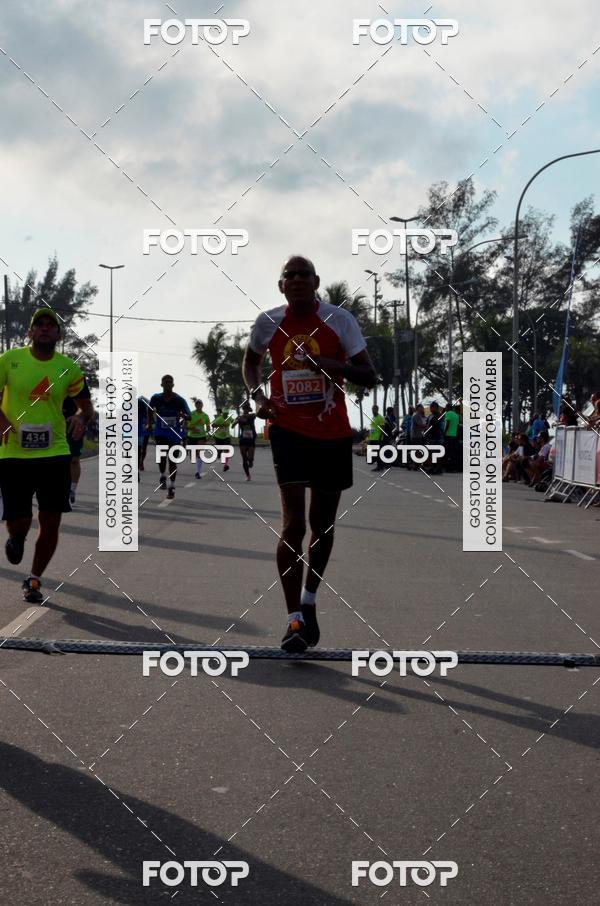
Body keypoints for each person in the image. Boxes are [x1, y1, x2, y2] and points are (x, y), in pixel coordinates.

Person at [243, 255, 375, 653]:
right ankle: (293, 620)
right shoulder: (267, 322)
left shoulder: (340, 320)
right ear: (281, 286)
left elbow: (369, 374)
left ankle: (309, 600)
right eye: (290, 276)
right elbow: (249, 365)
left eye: (304, 275)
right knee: (294, 526)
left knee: (323, 526)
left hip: (332, 432)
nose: (297, 280)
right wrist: (257, 397)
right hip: (287, 430)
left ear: (316, 281)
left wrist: (333, 365)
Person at [0, 308, 93, 602]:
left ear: (58, 335)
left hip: (55, 452)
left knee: (51, 519)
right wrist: (2, 421)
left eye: (50, 326)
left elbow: (85, 405)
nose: (44, 329)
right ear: (30, 333)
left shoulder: (69, 368)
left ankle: (35, 580)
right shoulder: (9, 360)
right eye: (38, 325)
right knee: (20, 520)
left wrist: (80, 417)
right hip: (14, 453)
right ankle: (17, 537)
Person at [147, 375, 191, 499]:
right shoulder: (156, 398)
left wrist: (183, 415)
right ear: (161, 385)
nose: (167, 384)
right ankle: (162, 475)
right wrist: (149, 423)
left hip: (175, 435)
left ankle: (171, 486)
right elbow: (150, 410)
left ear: (173, 385)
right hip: (160, 432)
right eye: (165, 382)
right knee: (161, 458)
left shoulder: (179, 400)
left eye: (170, 382)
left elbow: (189, 415)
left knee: (172, 461)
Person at [62, 379, 92, 504]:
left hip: (73, 426)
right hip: (51, 426)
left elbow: (88, 408)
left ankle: (72, 489)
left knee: (74, 460)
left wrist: (80, 418)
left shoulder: (75, 378)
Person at [232, 401, 257, 480]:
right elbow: (232, 426)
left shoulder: (252, 415)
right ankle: (248, 475)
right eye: (244, 408)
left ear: (249, 409)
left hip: (251, 439)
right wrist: (236, 421)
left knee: (250, 458)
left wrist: (241, 418)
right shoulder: (239, 417)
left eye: (247, 408)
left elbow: (249, 418)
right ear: (243, 409)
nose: (245, 410)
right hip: (243, 439)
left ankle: (251, 461)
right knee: (244, 459)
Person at [188, 399, 211, 479]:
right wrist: (192, 429)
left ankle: (197, 472)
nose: (199, 406)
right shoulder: (191, 414)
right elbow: (186, 425)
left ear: (202, 405)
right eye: (197, 404)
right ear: (195, 406)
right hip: (191, 436)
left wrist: (208, 430)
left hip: (201, 436)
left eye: (200, 404)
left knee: (199, 454)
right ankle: (196, 467)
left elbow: (208, 426)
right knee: (193, 456)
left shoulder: (205, 415)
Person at [425, 401, 444, 474]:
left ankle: (438, 468)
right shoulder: (430, 416)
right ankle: (431, 467)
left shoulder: (439, 415)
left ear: (436, 408)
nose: (430, 409)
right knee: (430, 453)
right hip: (430, 437)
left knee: (437, 454)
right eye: (430, 407)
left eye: (432, 407)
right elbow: (427, 425)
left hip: (437, 437)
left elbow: (437, 426)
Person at [212, 407, 234, 472]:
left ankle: (225, 465)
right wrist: (221, 426)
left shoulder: (229, 418)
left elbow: (233, 421)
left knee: (226, 450)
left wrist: (236, 421)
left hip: (227, 437)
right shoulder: (219, 419)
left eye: (227, 413)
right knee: (220, 452)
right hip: (218, 437)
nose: (226, 415)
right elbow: (213, 425)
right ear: (222, 413)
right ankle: (219, 454)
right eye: (224, 413)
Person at [443, 402, 460, 472]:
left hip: (448, 435)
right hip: (454, 435)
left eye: (446, 407)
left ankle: (448, 468)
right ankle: (454, 468)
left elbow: (448, 423)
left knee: (447, 452)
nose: (445, 409)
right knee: (453, 452)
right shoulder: (456, 415)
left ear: (447, 407)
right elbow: (457, 426)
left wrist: (444, 432)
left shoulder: (448, 413)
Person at [368, 404, 385, 471]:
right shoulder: (373, 417)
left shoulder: (380, 418)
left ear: (377, 410)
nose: (373, 410)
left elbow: (382, 429)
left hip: (377, 438)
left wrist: (380, 438)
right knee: (372, 453)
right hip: (372, 438)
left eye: (374, 409)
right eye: (372, 409)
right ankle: (380, 465)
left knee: (377, 453)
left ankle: (380, 466)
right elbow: (372, 427)